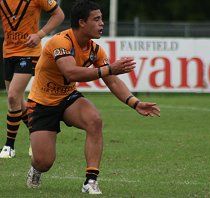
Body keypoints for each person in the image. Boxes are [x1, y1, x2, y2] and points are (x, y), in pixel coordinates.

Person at [25, 0, 160, 195]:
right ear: (81, 22)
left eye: (102, 19)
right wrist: (110, 68)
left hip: (67, 98)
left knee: (94, 120)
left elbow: (112, 81)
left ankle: (90, 181)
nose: (102, 23)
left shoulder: (96, 50)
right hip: (41, 103)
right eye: (96, 19)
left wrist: (135, 103)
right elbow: (71, 72)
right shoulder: (60, 42)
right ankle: (35, 169)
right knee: (44, 162)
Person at [0, 0, 65, 158]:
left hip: (29, 52)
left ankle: (9, 146)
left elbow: (59, 15)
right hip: (8, 52)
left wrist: (40, 34)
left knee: (13, 95)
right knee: (16, 100)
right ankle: (36, 135)